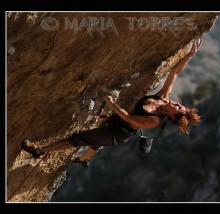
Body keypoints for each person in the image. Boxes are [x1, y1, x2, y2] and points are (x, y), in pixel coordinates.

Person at [21, 38, 203, 167]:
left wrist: (111, 103)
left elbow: (130, 120)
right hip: (116, 124)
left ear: (173, 115)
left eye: (179, 108)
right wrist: (190, 55)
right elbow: (174, 73)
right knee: (95, 140)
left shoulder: (155, 120)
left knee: (79, 138)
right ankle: (84, 159)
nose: (178, 104)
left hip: (117, 132)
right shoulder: (164, 97)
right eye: (180, 105)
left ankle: (40, 150)